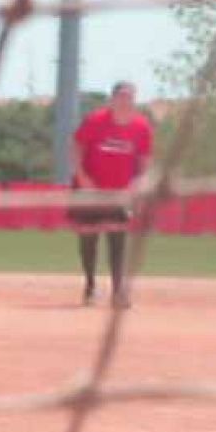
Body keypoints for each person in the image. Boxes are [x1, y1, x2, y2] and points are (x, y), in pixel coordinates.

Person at [70, 81, 152, 308]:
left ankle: (118, 292)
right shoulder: (95, 120)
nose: (125, 101)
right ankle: (90, 286)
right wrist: (81, 176)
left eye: (129, 97)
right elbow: (76, 146)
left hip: (120, 191)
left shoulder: (141, 126)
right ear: (113, 99)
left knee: (117, 238)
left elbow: (145, 159)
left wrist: (139, 183)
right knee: (88, 236)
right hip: (91, 188)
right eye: (121, 96)